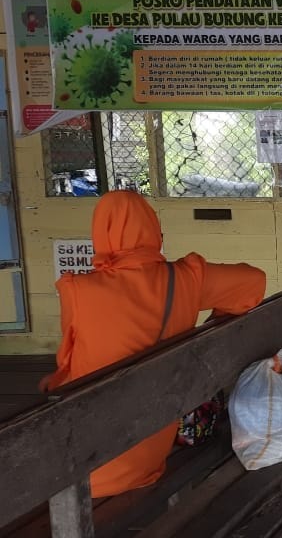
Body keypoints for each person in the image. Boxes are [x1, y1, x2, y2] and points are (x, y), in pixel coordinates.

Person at [41, 190, 266, 498]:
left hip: (85, 471)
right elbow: (253, 282)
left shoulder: (79, 291)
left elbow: (66, 364)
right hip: (148, 451)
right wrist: (215, 317)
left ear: (101, 233)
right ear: (152, 229)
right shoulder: (187, 279)